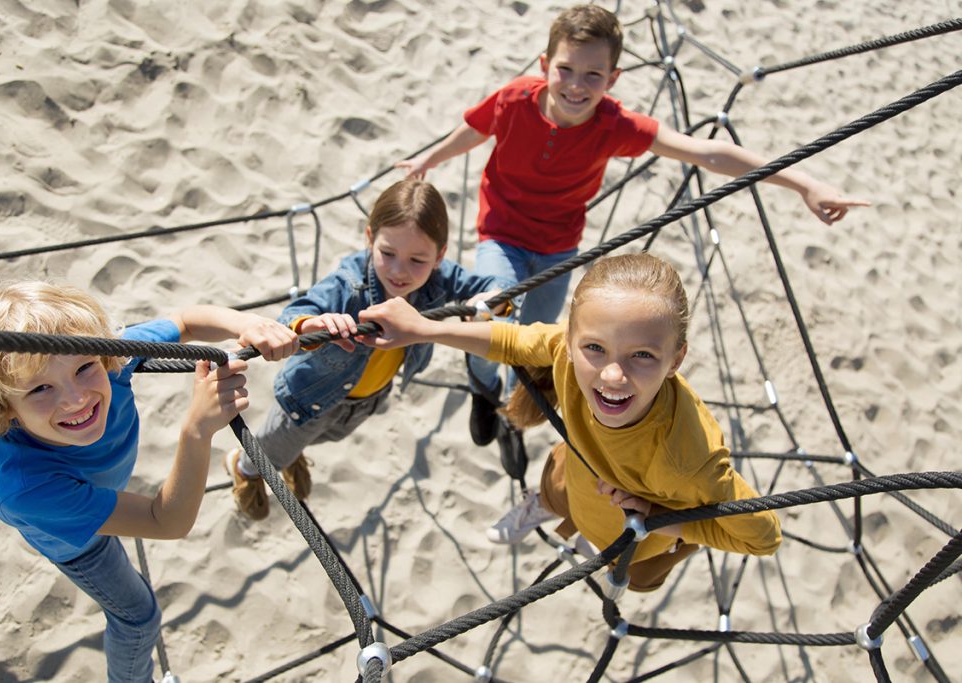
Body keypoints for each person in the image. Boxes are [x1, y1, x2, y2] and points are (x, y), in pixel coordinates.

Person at [397, 3, 869, 448]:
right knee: (491, 314)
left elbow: (706, 152)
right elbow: (477, 128)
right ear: (545, 64)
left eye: (593, 75)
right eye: (565, 69)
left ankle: (517, 415)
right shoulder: (515, 99)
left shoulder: (614, 124)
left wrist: (801, 181)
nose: (576, 86)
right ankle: (483, 390)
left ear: (613, 78)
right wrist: (429, 159)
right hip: (502, 233)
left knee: (538, 340)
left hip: (560, 247)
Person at [0, 281, 299, 682]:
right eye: (41, 388)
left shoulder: (112, 360)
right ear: (4, 407)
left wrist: (245, 324)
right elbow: (167, 522)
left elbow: (186, 321)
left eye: (84, 367)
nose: (75, 398)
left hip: (105, 488)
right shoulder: (22, 487)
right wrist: (197, 430)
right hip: (78, 543)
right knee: (139, 616)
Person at [359, 253, 782, 592]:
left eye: (643, 355)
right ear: (573, 337)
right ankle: (546, 506)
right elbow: (511, 341)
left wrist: (663, 516)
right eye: (595, 347)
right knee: (556, 485)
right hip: (579, 476)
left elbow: (763, 537)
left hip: (636, 538)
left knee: (636, 579)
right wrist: (423, 329)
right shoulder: (567, 349)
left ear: (676, 360)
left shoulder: (689, 457)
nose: (612, 375)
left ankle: (603, 543)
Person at [226, 178, 507, 519]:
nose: (400, 271)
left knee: (326, 438)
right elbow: (295, 315)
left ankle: (291, 455)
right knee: (268, 451)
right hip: (310, 398)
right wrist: (309, 325)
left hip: (368, 398)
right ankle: (243, 471)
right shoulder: (349, 284)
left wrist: (488, 302)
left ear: (439, 256)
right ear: (370, 237)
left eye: (417, 260)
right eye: (387, 254)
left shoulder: (438, 277)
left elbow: (493, 288)